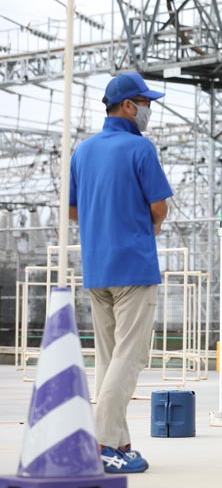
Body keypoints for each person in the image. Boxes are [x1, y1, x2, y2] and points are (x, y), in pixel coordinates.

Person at [69, 73, 173, 474]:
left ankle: (119, 442)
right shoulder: (139, 148)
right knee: (129, 359)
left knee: (109, 359)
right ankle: (98, 446)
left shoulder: (83, 151)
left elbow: (74, 209)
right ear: (129, 106)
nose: (149, 110)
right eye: (146, 103)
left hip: (97, 268)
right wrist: (147, 224)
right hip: (134, 264)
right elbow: (159, 207)